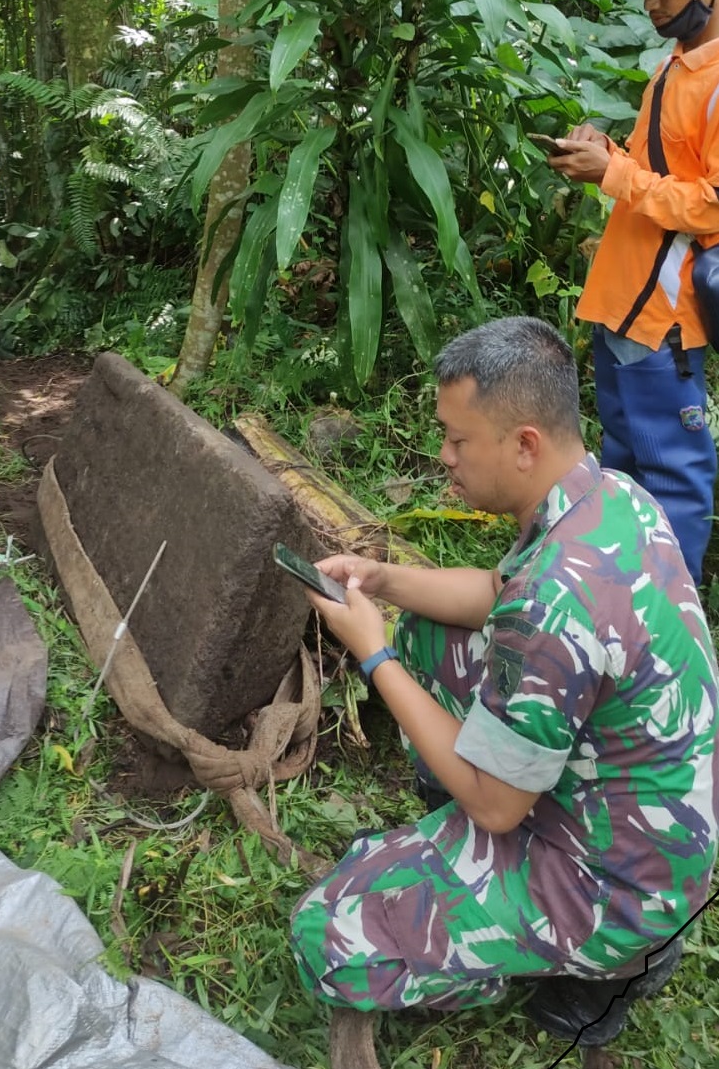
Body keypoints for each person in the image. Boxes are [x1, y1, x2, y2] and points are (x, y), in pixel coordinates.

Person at [290, 317, 719, 1047]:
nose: (443, 456)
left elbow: (493, 805)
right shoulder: (609, 496)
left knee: (326, 931)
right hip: (643, 814)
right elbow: (497, 588)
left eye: (457, 440)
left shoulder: (557, 602)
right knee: (431, 632)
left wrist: (372, 653)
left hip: (616, 883)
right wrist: (381, 578)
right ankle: (457, 862)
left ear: (523, 444)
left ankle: (605, 963)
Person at [549, 0, 719, 586]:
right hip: (620, 306)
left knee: (672, 479)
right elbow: (659, 174)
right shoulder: (679, 60)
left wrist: (613, 172)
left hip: (664, 319)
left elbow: (710, 205)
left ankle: (669, 635)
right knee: (622, 469)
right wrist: (604, 152)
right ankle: (618, 602)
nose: (650, 2)